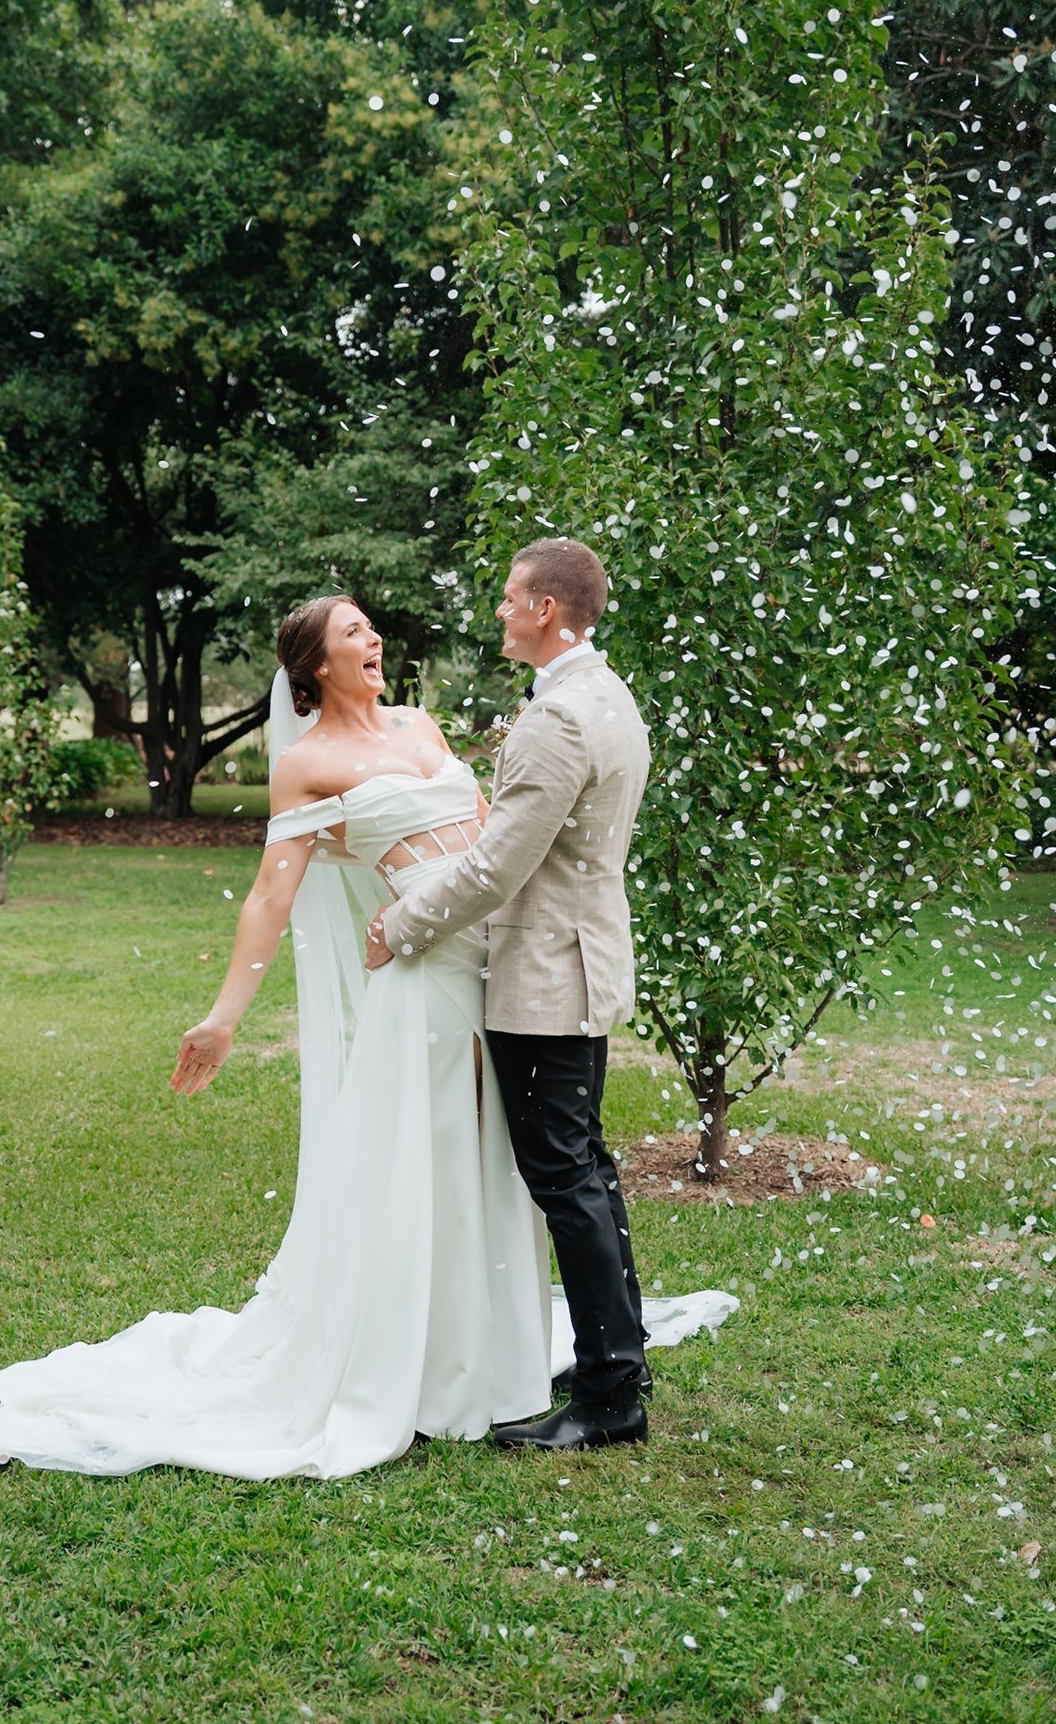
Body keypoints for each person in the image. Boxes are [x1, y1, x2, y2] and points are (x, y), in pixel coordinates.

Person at [0, 586, 734, 1481]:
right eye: (352, 632)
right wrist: (222, 1019)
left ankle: (495, 1355)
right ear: (315, 666)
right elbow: (272, 894)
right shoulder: (309, 765)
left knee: (499, 1165)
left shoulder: (423, 727)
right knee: (432, 1161)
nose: (374, 638)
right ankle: (421, 1366)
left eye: (371, 626)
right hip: (422, 989)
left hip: (497, 971)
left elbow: (492, 843)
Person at [367, 538, 669, 1451]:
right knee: (587, 1167)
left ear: (547, 610)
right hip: (582, 958)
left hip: (544, 974)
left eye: (509, 600)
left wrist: (404, 922)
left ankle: (612, 1399)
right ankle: (619, 1356)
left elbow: (499, 867)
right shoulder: (605, 694)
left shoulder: (557, 719)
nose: (499, 611)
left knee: (565, 1177)